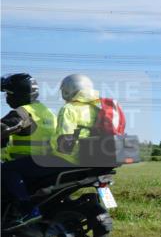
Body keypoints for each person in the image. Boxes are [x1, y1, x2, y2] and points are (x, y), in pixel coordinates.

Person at [1, 73, 58, 227]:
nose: (6, 97)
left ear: (17, 94)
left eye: (8, 93)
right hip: (45, 163)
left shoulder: (24, 111)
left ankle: (26, 208)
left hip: (28, 162)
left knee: (4, 170)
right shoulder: (47, 112)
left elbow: (6, 126)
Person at [53, 73, 101, 165]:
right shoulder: (96, 109)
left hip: (69, 158)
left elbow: (65, 138)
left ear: (68, 90)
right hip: (91, 156)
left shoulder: (68, 108)